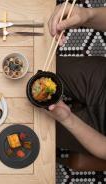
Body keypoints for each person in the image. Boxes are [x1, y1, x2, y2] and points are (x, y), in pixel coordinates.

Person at [47, 3, 106, 160]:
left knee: (39, 127)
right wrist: (88, 14)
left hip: (99, 131)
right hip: (102, 79)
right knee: (43, 71)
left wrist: (68, 120)